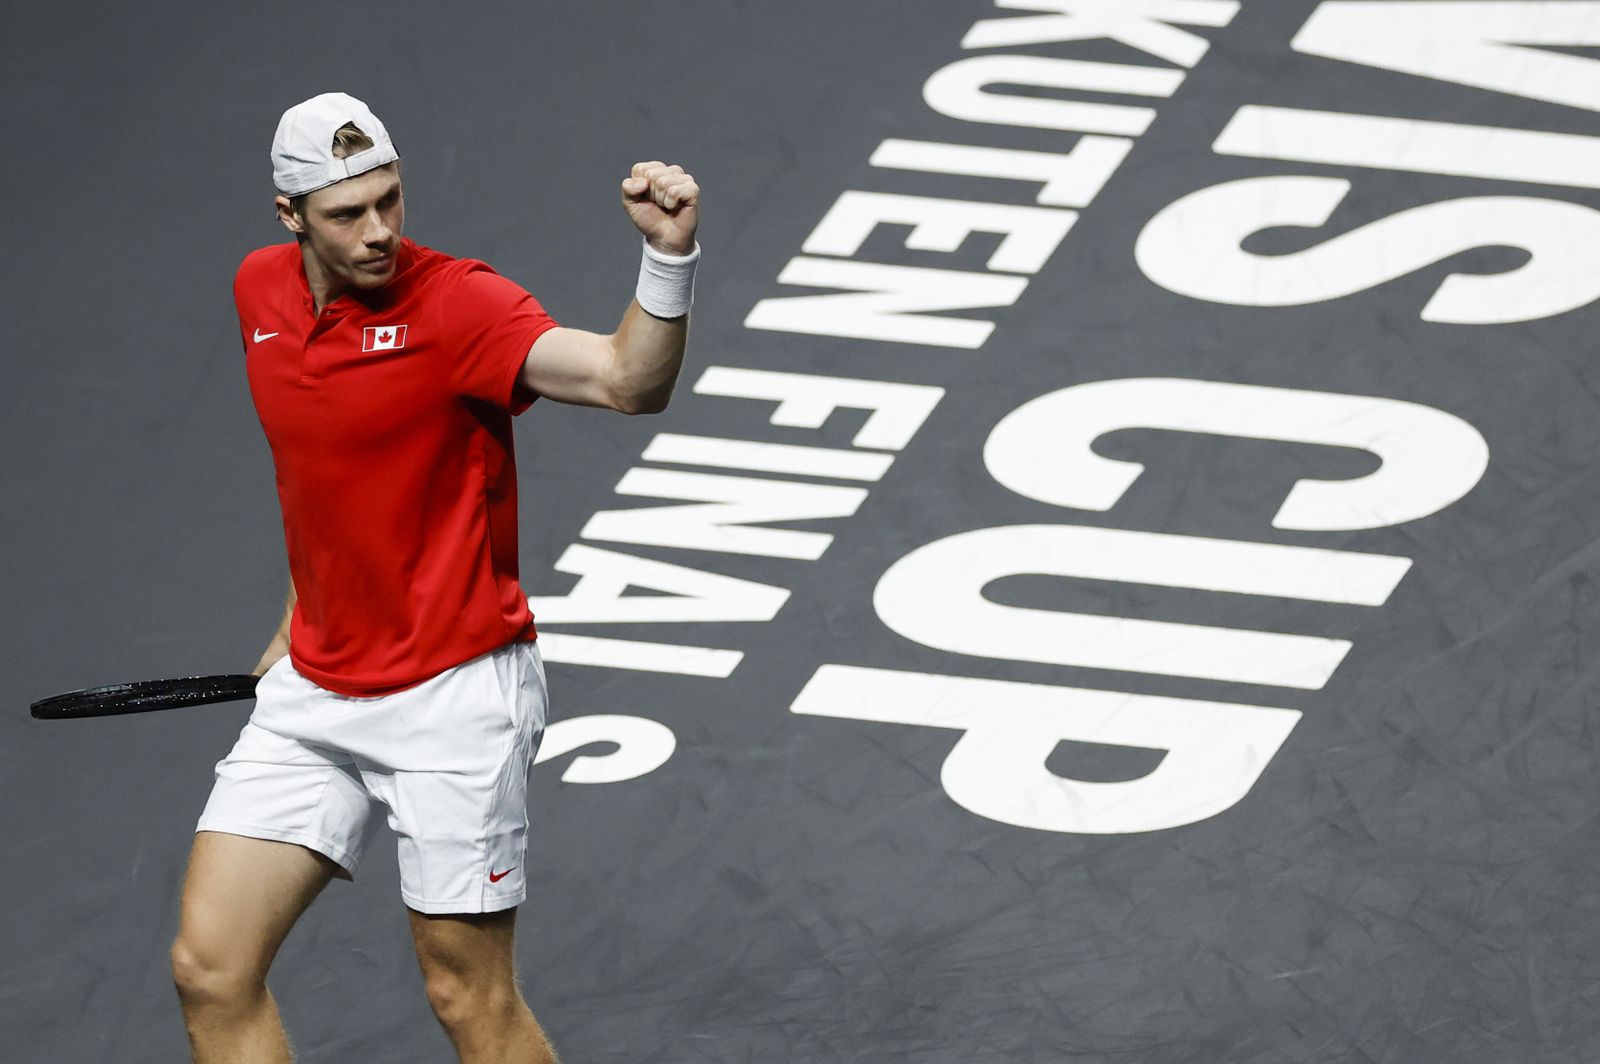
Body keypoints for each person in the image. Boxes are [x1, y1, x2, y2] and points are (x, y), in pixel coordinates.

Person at [167, 91, 700, 1064]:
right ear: (289, 217)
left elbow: (629, 380)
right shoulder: (259, 293)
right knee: (210, 967)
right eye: (346, 212)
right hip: (313, 691)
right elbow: (328, 473)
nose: (378, 231)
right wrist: (304, 610)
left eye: (390, 199)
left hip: (455, 698)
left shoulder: (460, 304)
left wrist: (667, 258)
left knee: (465, 993)